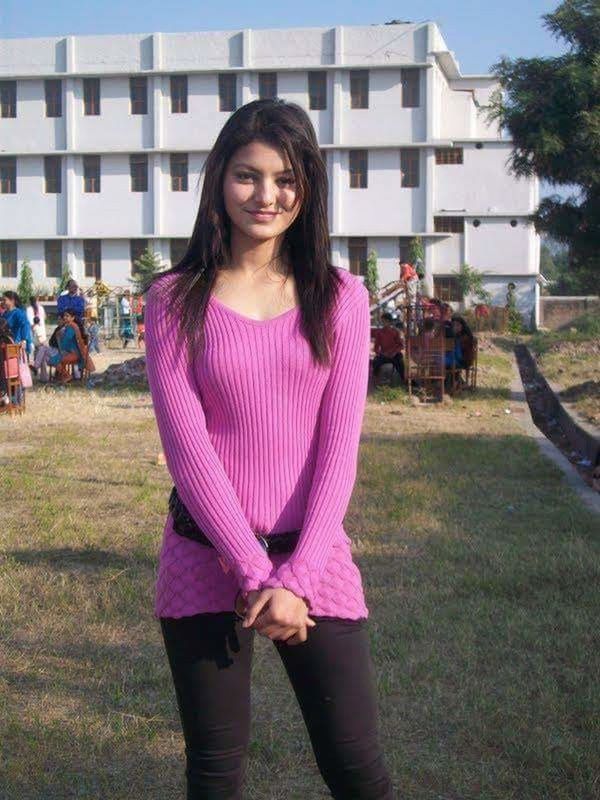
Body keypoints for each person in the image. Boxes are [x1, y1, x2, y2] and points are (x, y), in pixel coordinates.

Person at [143, 98, 394, 799]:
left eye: (286, 178)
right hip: (204, 553)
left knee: (357, 768)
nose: (267, 195)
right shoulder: (173, 298)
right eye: (247, 175)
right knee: (216, 771)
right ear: (219, 180)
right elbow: (188, 449)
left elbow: (339, 447)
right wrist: (257, 574)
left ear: (306, 188)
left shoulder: (340, 296)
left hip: (314, 556)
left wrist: (296, 576)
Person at [47, 310, 95, 384]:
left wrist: (59, 335)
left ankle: (66, 376)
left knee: (54, 361)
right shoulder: (66, 327)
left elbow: (67, 340)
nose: (65, 317)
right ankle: (65, 375)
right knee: (51, 360)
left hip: (74, 354)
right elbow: (61, 341)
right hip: (66, 352)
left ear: (72, 318)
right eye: (64, 316)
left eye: (67, 316)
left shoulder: (72, 327)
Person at [1, 291, 33, 365]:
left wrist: (24, 340)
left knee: (14, 370)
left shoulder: (18, 313)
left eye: (4, 300)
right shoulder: (4, 314)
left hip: (15, 345)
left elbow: (25, 325)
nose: (2, 302)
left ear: (12, 301)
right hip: (4, 345)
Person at [372, 311, 405, 382]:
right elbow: (376, 347)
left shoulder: (395, 332)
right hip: (384, 355)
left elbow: (401, 345)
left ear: (390, 322)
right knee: (375, 362)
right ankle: (376, 379)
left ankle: (404, 379)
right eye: (383, 321)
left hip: (394, 354)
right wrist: (380, 353)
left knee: (400, 361)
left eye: (385, 321)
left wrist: (394, 352)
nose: (384, 323)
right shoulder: (379, 333)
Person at [0, 316, 15, 410]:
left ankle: (3, 397)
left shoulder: (4, 340)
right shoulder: (9, 338)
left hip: (6, 373)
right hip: (11, 372)